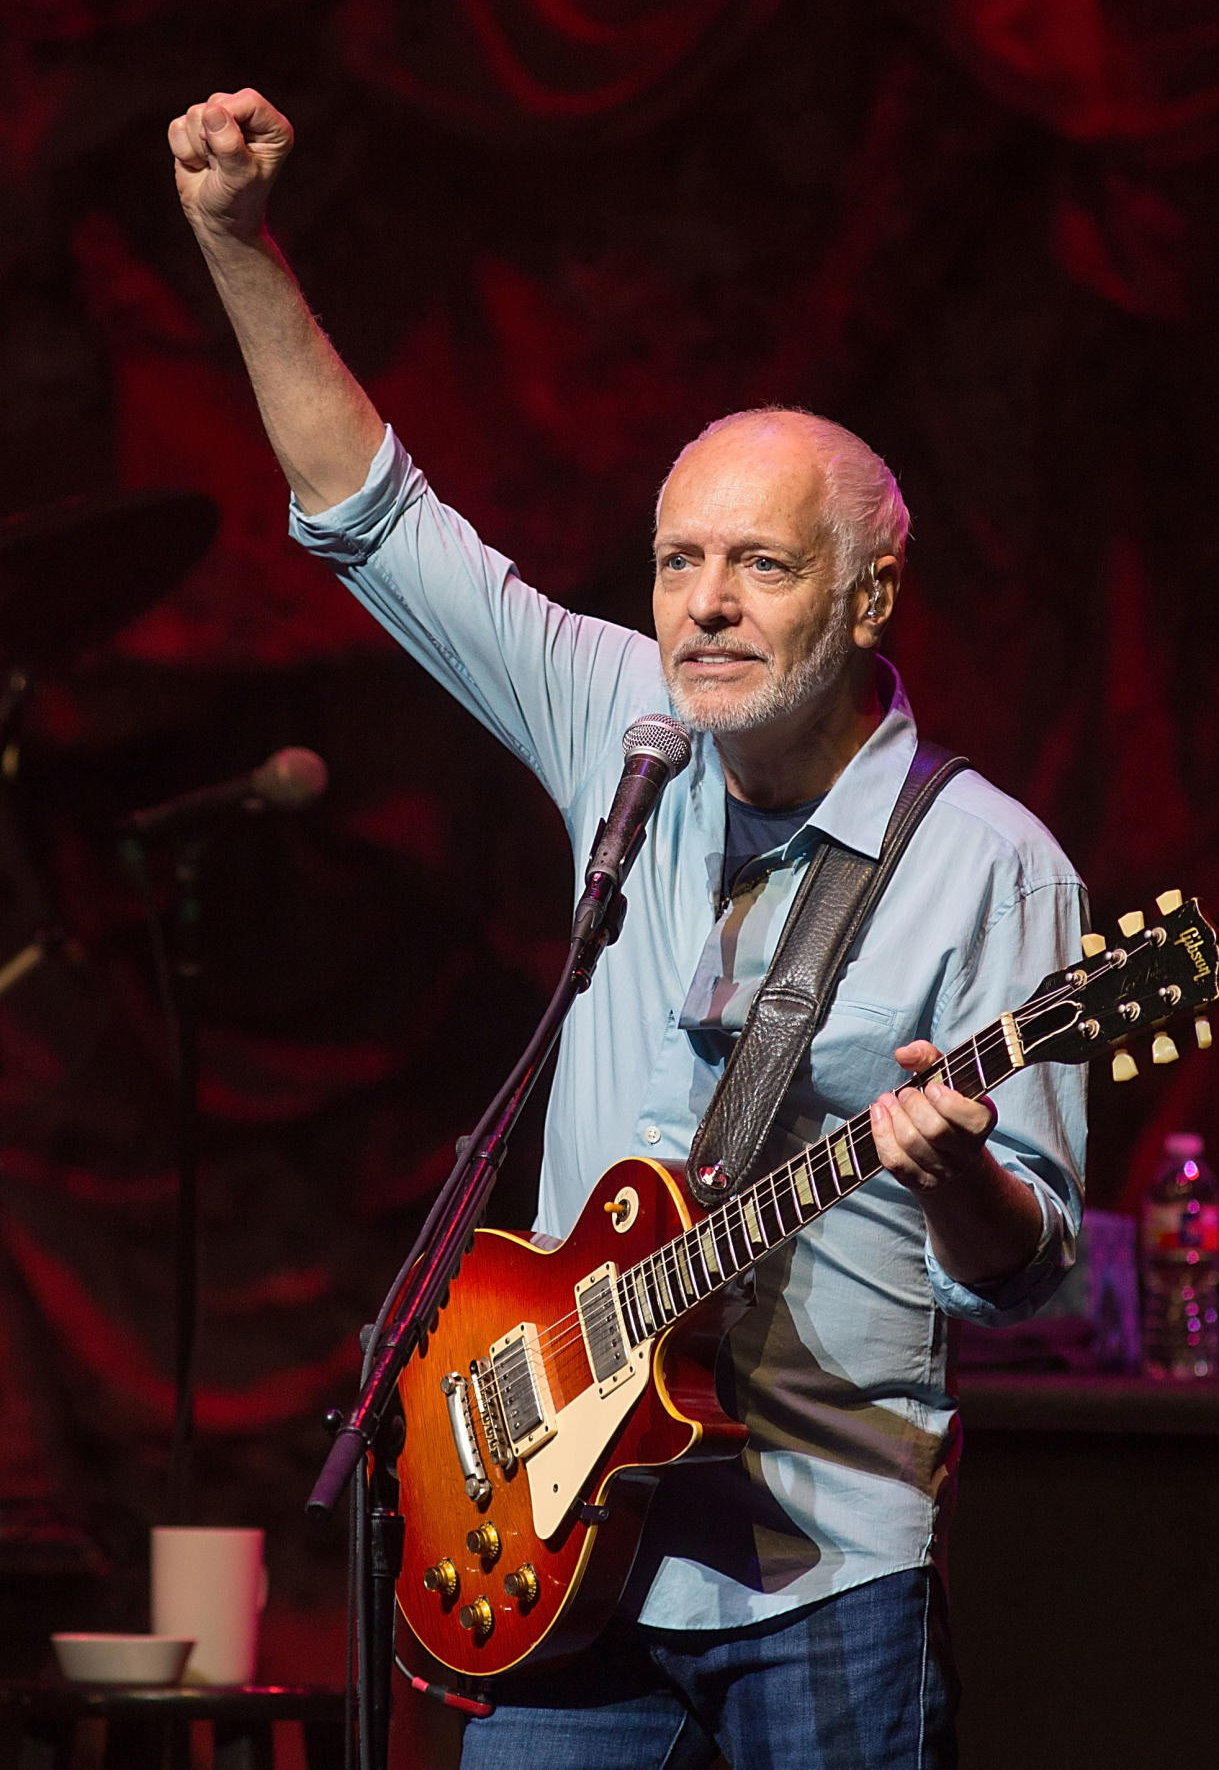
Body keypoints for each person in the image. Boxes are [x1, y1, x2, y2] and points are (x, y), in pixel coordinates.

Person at [169, 88, 1087, 1769]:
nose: (705, 606)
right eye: (676, 564)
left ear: (868, 594)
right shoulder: (624, 725)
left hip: (820, 1573)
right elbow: (375, 517)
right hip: (553, 1543)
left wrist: (952, 1166)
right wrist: (236, 244)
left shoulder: (990, 865)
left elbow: (1028, 1275)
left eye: (759, 565)